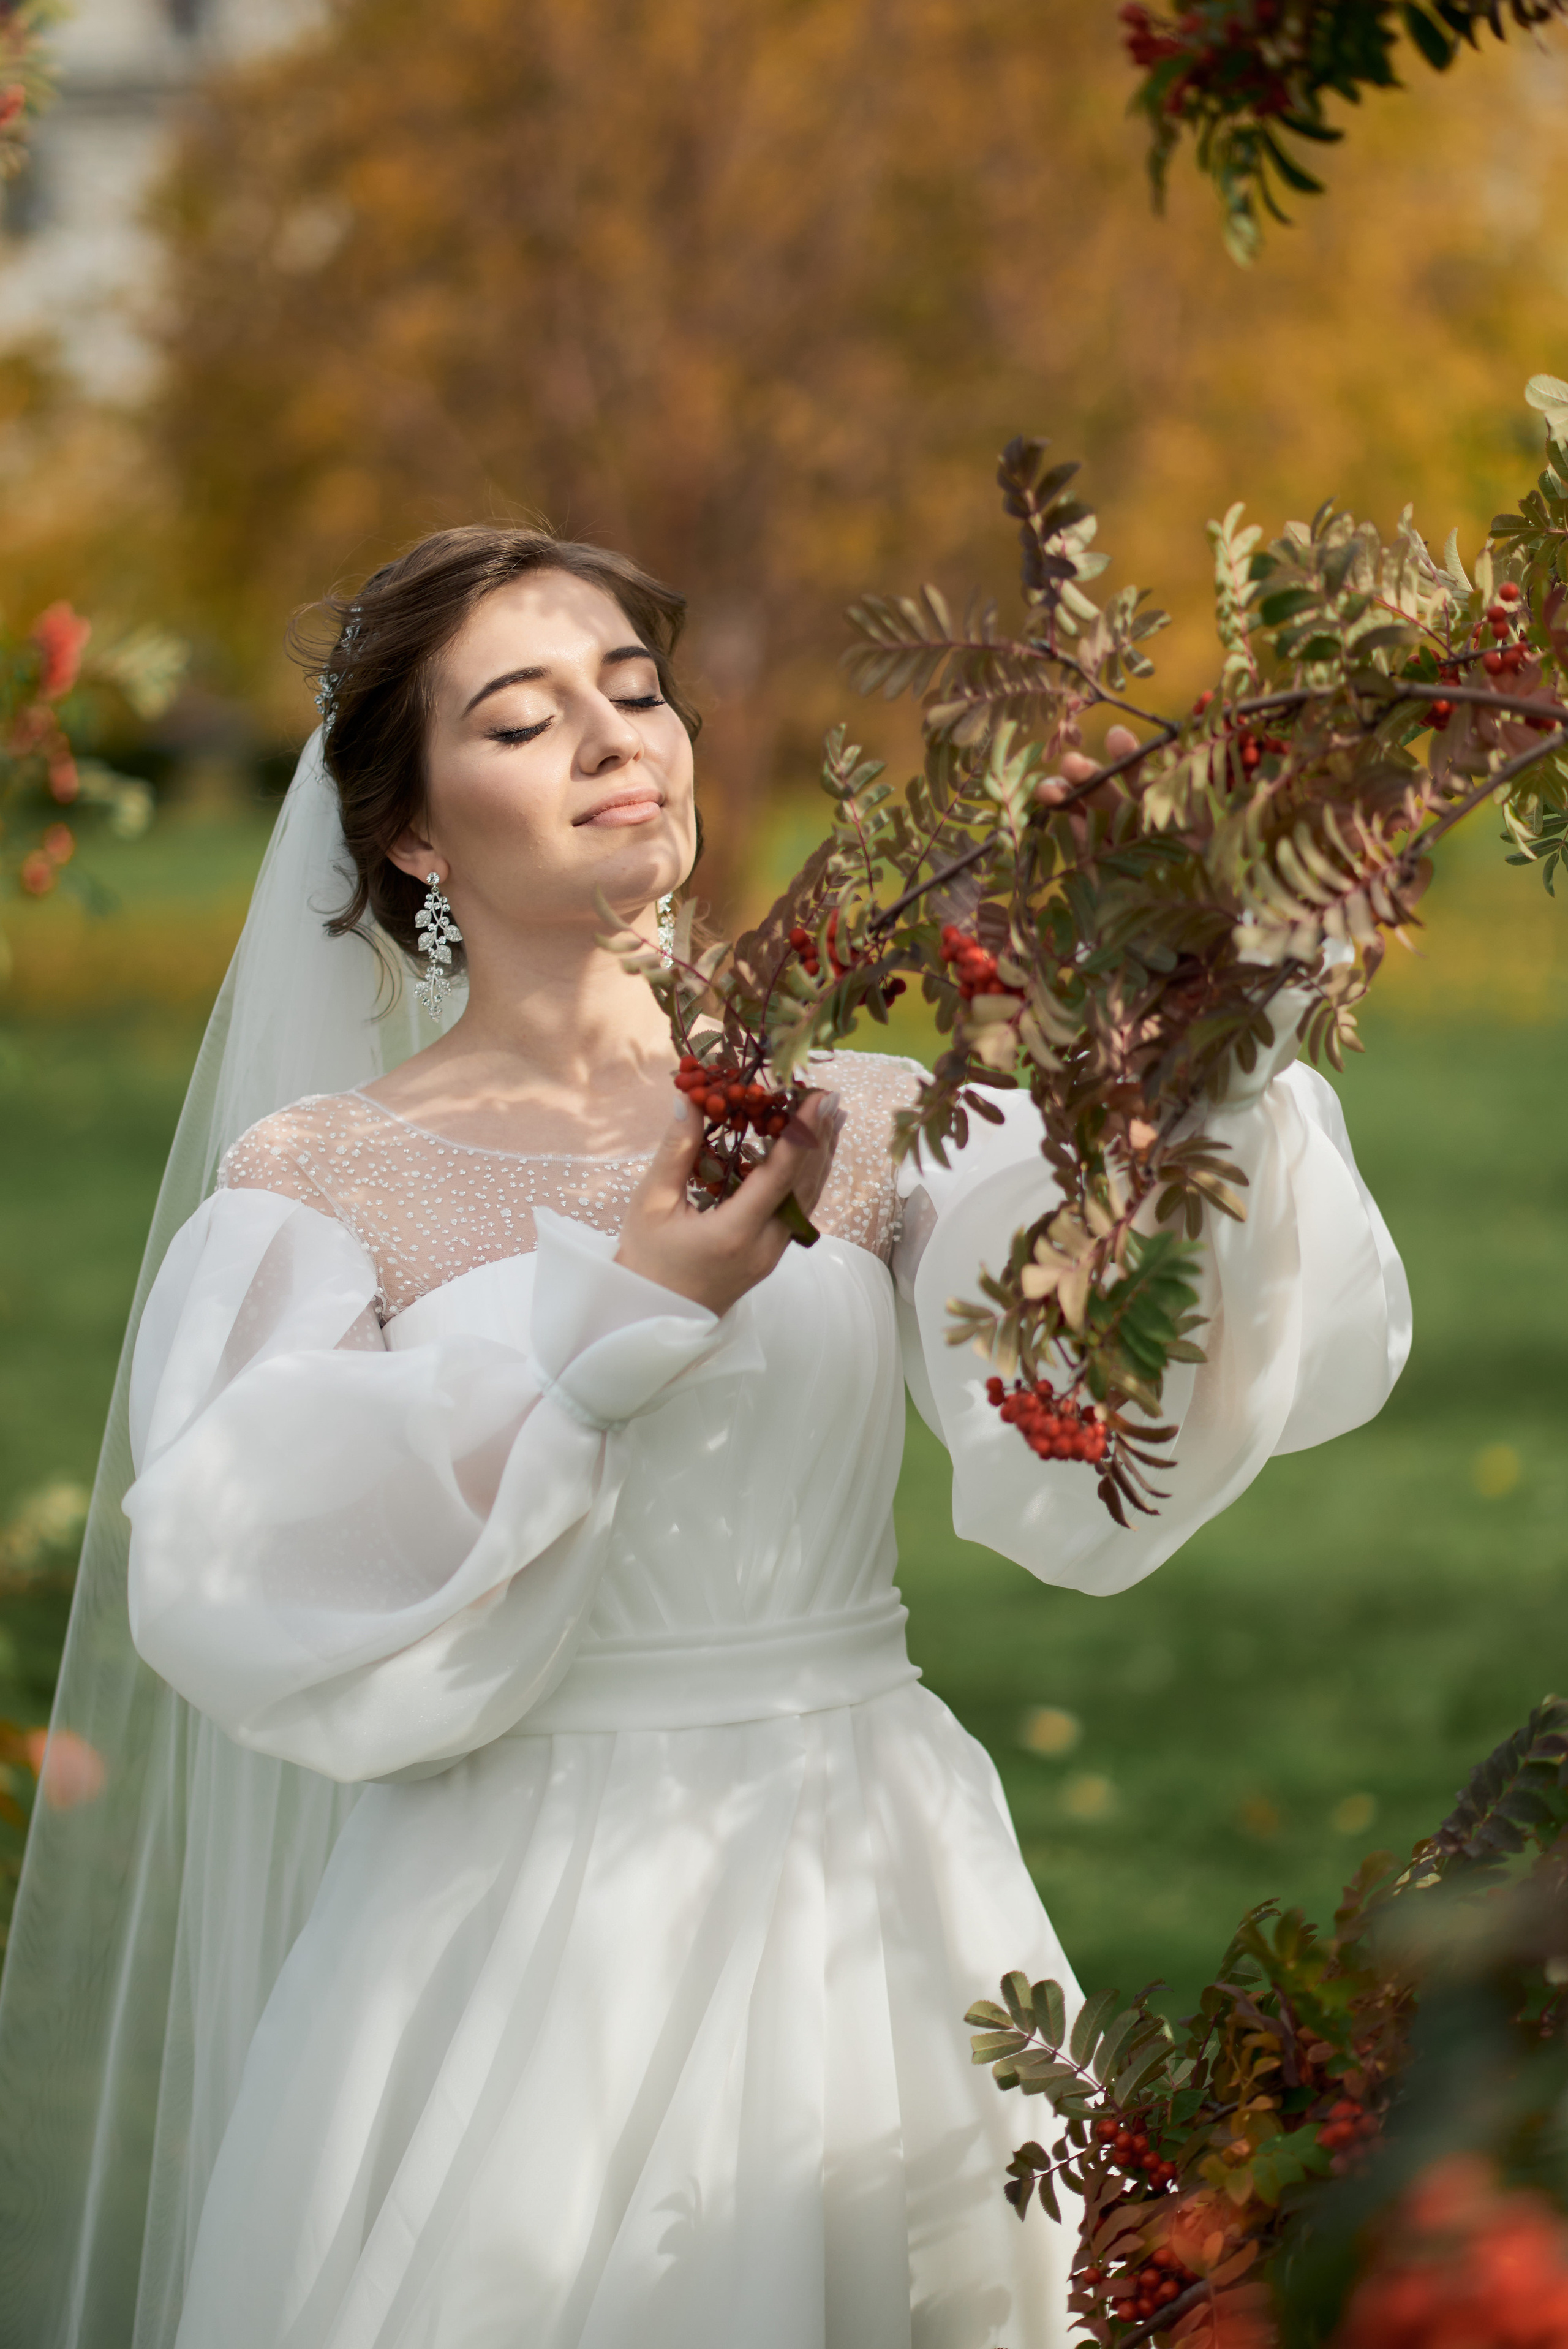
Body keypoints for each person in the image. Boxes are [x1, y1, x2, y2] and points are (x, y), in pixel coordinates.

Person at [0, 527, 1411, 2349]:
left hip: (875, 1881)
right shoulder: (330, 1182)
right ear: (415, 833)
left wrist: (1229, 1041)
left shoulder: (865, 1117)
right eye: (522, 718)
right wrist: (603, 1337)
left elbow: (1113, 1389)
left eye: (634, 689)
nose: (610, 740)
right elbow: (234, 1567)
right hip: (524, 1933)